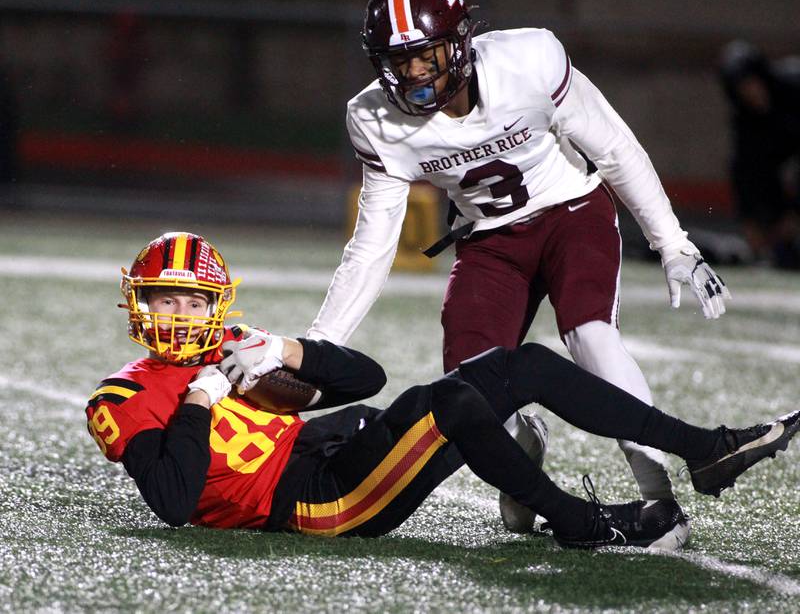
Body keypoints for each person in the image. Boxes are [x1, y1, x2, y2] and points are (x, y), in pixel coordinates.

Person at [306, 0, 732, 535]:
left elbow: (615, 148)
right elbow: (372, 246)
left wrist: (673, 242)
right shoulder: (375, 119)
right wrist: (317, 348)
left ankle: (658, 494)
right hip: (489, 241)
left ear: (459, 43)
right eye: (398, 59)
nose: (412, 72)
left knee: (590, 335)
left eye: (425, 54)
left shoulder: (527, 61)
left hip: (571, 210)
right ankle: (525, 459)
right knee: (470, 387)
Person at [86, 232, 799, 551]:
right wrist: (202, 399)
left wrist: (283, 349)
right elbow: (175, 504)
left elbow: (363, 377)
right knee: (453, 405)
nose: (178, 315)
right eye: (164, 300)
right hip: (311, 503)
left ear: (215, 303)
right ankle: (580, 524)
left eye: (190, 301)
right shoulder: (121, 398)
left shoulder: (234, 345)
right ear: (137, 305)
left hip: (329, 455)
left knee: (521, 364)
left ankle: (706, 450)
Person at [720, 40, 800, 268]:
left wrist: (795, 214)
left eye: (750, 82)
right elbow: (744, 167)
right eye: (741, 88)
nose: (750, 92)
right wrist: (750, 220)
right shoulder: (746, 119)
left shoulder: (794, 85)